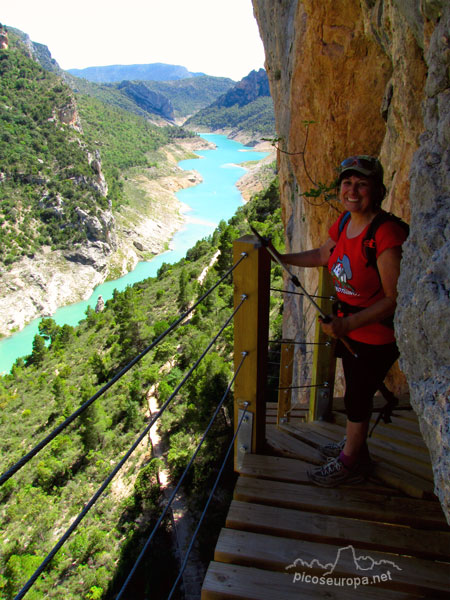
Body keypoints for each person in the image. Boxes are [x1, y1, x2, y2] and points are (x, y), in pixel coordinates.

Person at [271, 155, 408, 486]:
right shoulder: (346, 222)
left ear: (377, 189)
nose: (352, 190)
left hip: (375, 333)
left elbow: (394, 299)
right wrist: (282, 257)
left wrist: (348, 325)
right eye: (347, 182)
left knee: (357, 397)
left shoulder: (386, 234)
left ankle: (350, 462)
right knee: (356, 393)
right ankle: (355, 448)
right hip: (350, 328)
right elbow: (322, 255)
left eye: (361, 184)